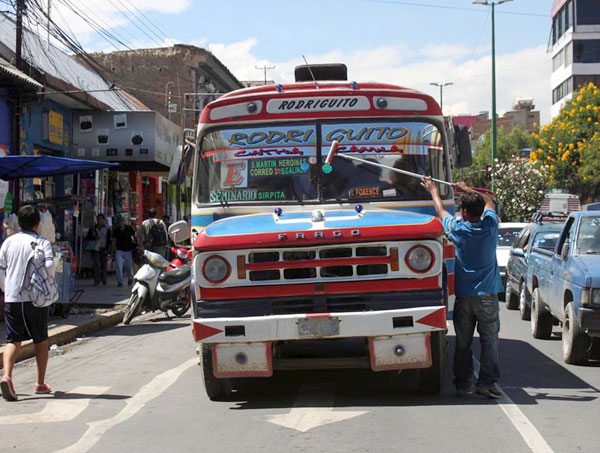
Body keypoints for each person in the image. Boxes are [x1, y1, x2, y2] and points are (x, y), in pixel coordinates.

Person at [421, 177, 503, 399]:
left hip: (464, 297)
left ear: (464, 212)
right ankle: (487, 383)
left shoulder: (457, 229)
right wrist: (466, 189)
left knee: (463, 343)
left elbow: (440, 210)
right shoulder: (490, 226)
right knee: (490, 342)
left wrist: (433, 190)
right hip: (487, 297)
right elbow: (490, 201)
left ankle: (464, 384)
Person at [0, 205, 55, 401]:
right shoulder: (42, 242)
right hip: (35, 299)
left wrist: (7, 289)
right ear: (37, 224)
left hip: (12, 298)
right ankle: (40, 383)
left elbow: (1, 270)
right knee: (41, 340)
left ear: (19, 223)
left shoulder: (8, 242)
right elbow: (50, 267)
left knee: (13, 340)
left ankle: (6, 376)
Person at [110, 216, 136, 287]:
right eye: (120, 221)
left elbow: (134, 237)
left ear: (124, 222)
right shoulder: (116, 230)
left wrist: (135, 246)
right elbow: (114, 241)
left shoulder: (129, 228)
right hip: (119, 250)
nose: (121, 222)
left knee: (129, 266)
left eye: (122, 221)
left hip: (128, 250)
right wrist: (112, 251)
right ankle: (120, 281)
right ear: (118, 223)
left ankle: (130, 278)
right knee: (119, 266)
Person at [87, 214, 110, 286]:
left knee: (104, 265)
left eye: (101, 219)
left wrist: (108, 249)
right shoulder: (93, 228)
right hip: (95, 249)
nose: (99, 220)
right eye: (98, 219)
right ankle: (96, 280)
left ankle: (104, 279)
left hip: (104, 248)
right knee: (96, 265)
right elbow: (88, 238)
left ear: (104, 220)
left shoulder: (107, 229)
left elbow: (109, 240)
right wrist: (93, 237)